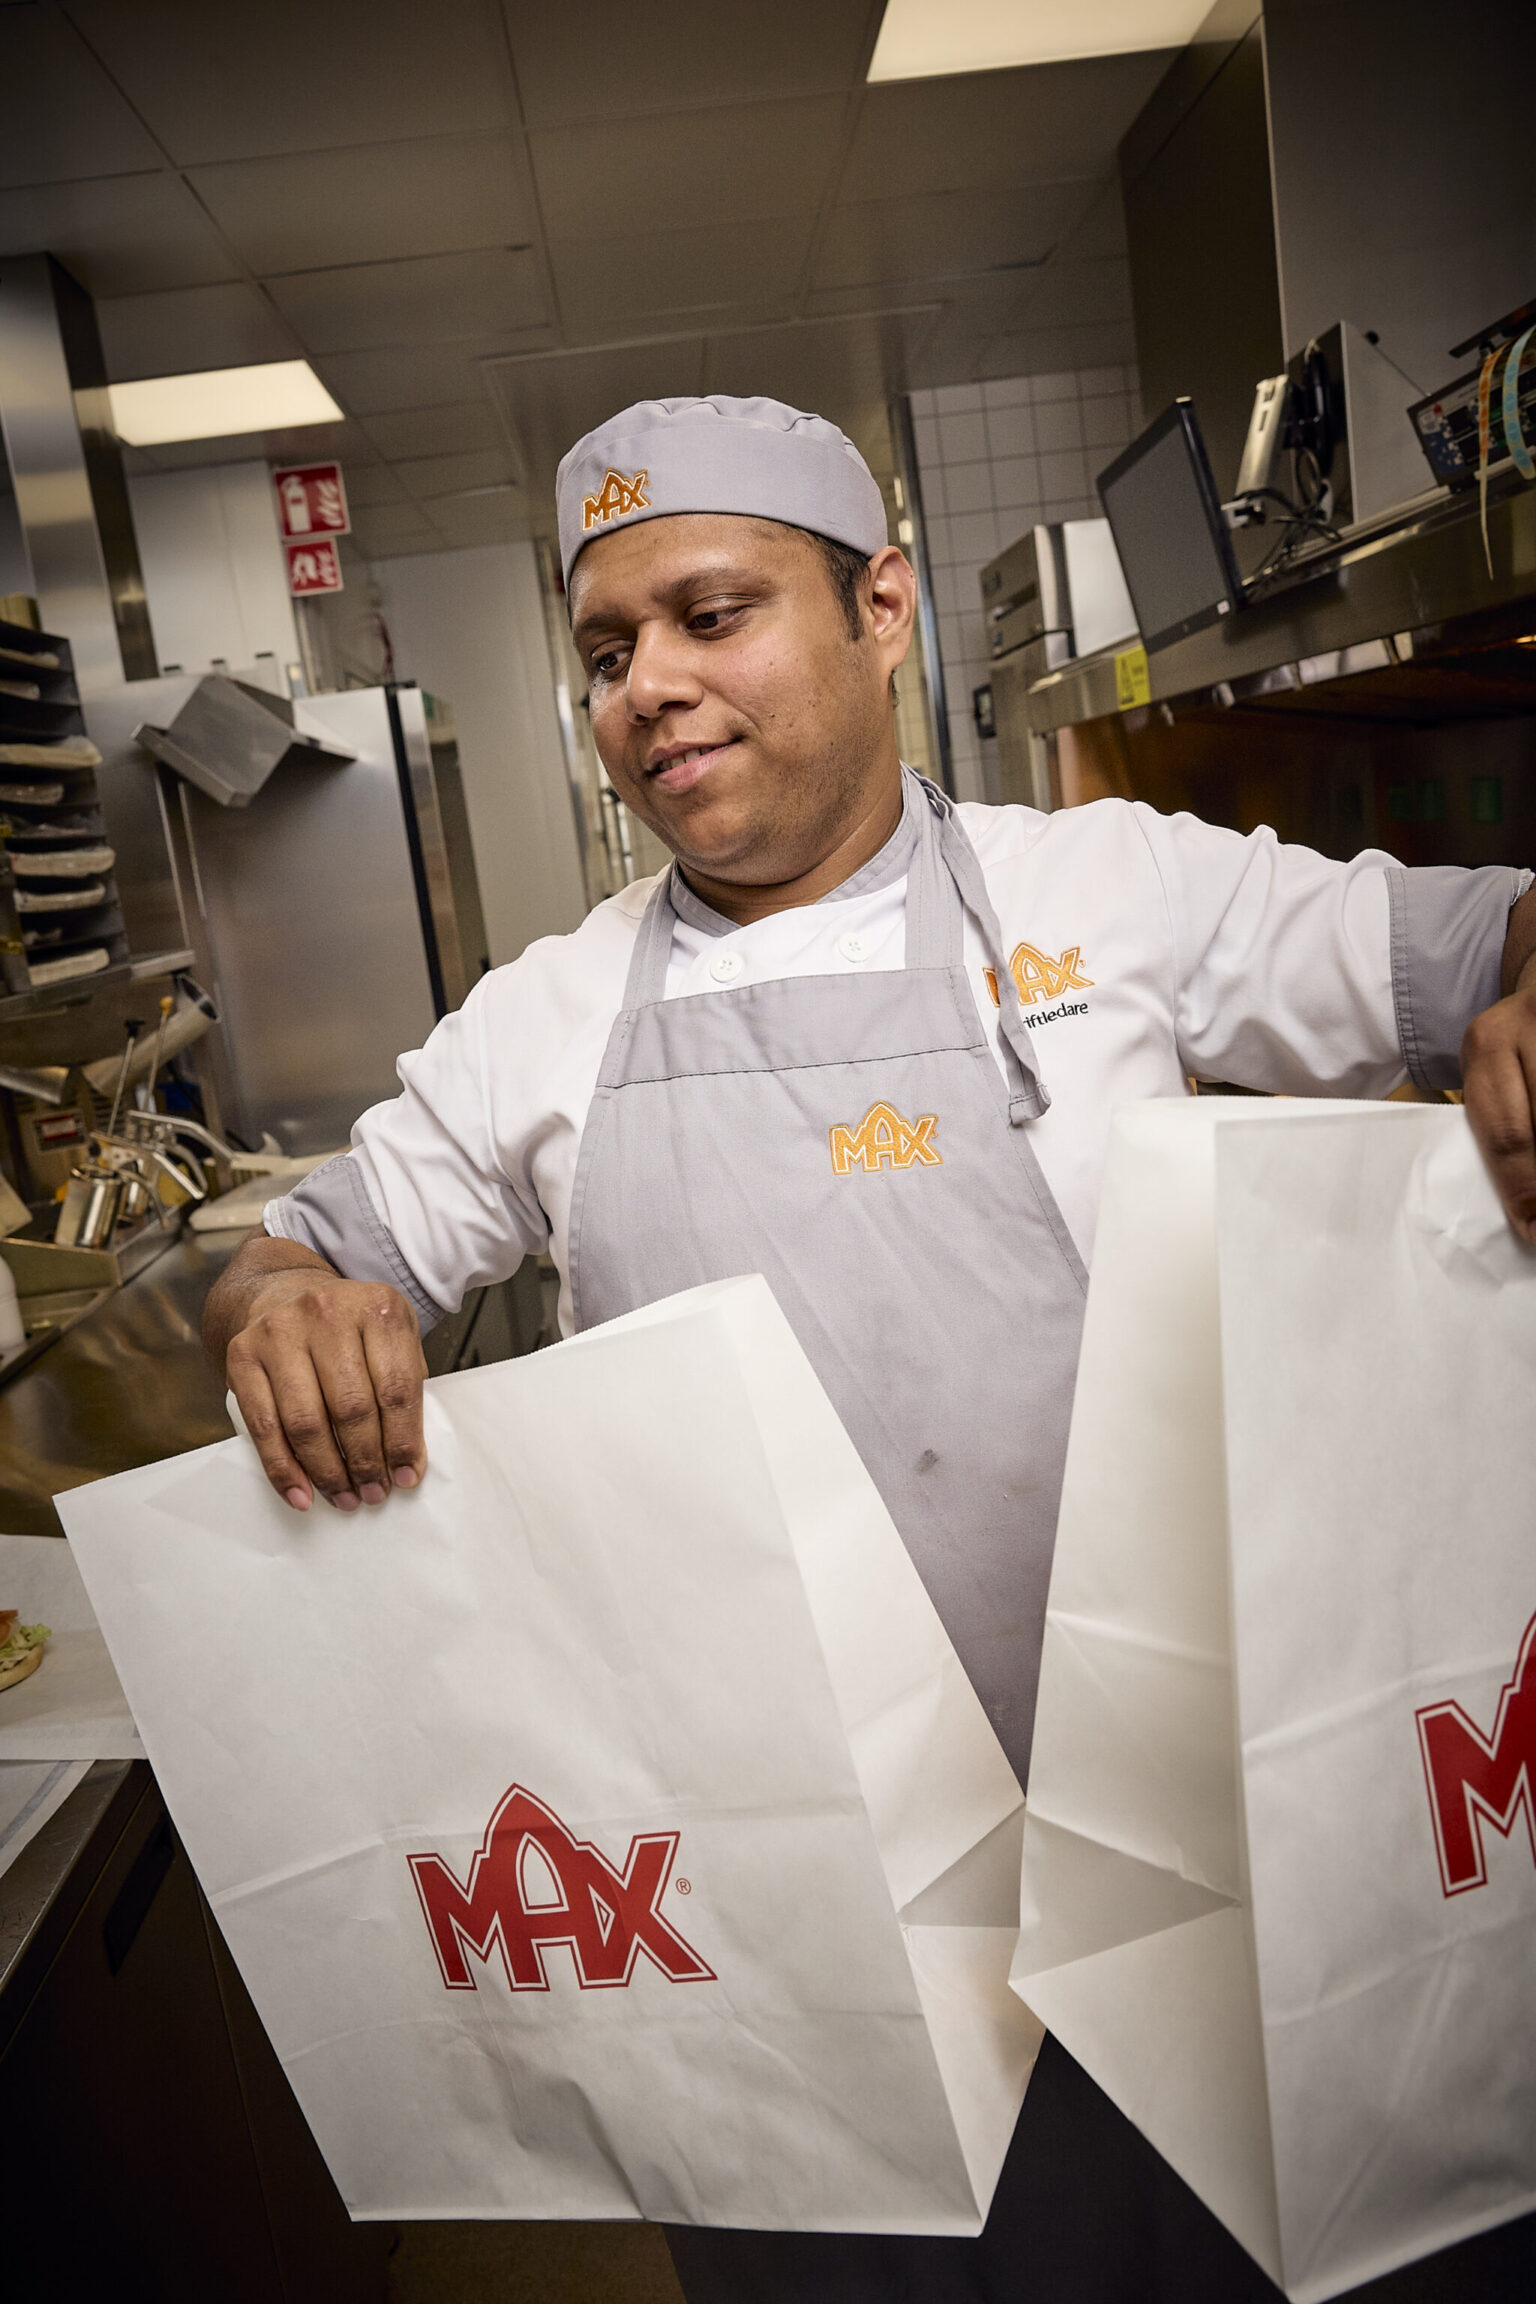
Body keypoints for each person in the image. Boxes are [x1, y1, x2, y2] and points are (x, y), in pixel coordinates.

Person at [204, 394, 1536, 2302]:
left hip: (1210, 1847)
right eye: (606, 651)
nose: (649, 686)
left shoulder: (1115, 893)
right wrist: (294, 1312)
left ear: (883, 608)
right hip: (805, 1924)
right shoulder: (544, 1018)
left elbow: (1489, 943)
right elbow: (304, 1263)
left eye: (714, 611)